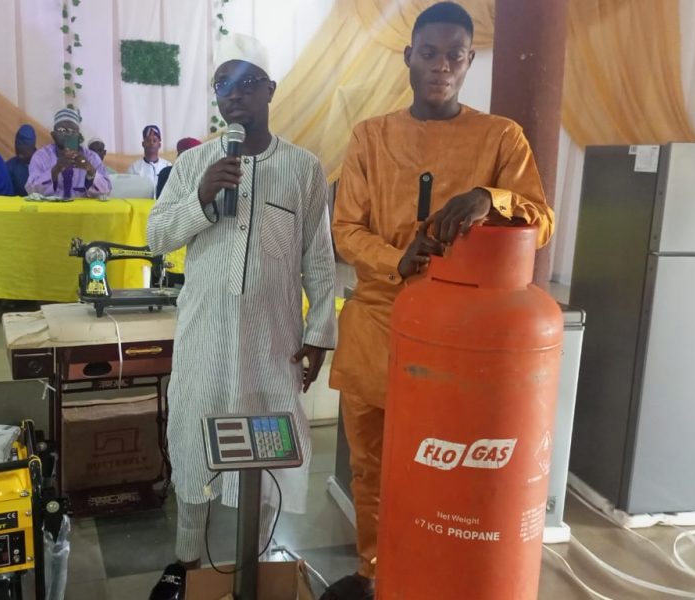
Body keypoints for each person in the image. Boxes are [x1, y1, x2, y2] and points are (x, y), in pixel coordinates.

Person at [325, 4, 555, 599]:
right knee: (372, 467)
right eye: (430, 53)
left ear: (470, 60)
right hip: (377, 325)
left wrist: (489, 197)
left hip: (462, 343)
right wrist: (395, 260)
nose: (442, 66)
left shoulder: (501, 138)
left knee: (450, 465)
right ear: (409, 57)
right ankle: (376, 573)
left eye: (455, 55)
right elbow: (345, 228)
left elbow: (540, 220)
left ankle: (440, 577)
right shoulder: (371, 136)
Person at [145, 33, 336, 600]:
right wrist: (200, 199)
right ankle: (185, 563)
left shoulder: (303, 168)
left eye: (246, 81)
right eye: (222, 84)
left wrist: (319, 333)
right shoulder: (193, 164)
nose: (233, 94)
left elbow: (318, 260)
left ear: (270, 90)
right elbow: (157, 238)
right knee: (192, 447)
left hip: (271, 347)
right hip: (203, 339)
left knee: (267, 453)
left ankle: (258, 561)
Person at [26, 108, 112, 199]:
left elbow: (106, 191)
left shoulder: (91, 157)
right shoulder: (41, 157)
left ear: (78, 135)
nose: (67, 134)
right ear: (53, 135)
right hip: (51, 207)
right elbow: (31, 190)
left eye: (72, 130)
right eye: (62, 130)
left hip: (83, 208)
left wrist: (90, 170)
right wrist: (56, 169)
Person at [127, 124, 172, 196]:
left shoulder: (167, 166)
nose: (151, 143)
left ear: (159, 145)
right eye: (148, 140)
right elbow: (129, 191)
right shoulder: (134, 168)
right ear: (143, 144)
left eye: (154, 140)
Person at [5, 124, 37, 196]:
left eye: (23, 153)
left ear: (32, 148)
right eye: (17, 152)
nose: (19, 156)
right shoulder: (9, 168)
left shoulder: (46, 165)